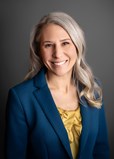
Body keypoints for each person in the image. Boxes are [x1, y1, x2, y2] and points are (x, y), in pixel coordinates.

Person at [5, 12, 110, 159]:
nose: (57, 54)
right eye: (48, 45)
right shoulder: (21, 98)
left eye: (65, 43)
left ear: (77, 45)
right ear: (38, 51)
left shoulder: (92, 88)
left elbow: (101, 151)